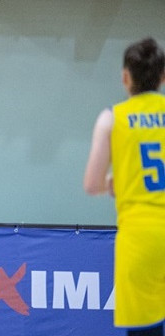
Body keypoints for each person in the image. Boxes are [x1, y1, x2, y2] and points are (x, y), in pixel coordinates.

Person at [83, 37, 165, 336]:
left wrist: (114, 184)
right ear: (162, 77)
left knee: (147, 332)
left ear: (125, 77)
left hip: (140, 239)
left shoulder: (111, 119)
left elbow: (92, 185)